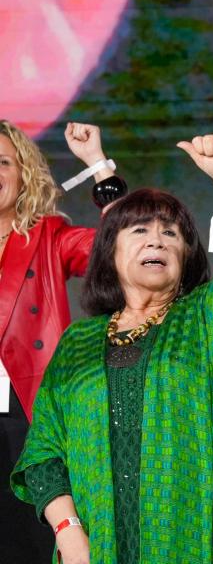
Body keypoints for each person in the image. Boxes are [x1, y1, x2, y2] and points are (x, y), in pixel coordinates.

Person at [10, 133, 213, 563]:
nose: (157, 241)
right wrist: (69, 532)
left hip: (194, 544)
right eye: (140, 231)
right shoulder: (77, 343)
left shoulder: (212, 317)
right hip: (97, 548)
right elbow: (43, 455)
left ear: (187, 254)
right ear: (110, 252)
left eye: (171, 233)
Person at [0, 121, 126, 563]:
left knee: (35, 539)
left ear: (23, 175)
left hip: (31, 410)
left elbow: (122, 250)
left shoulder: (48, 236)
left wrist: (97, 163)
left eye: (2, 162)